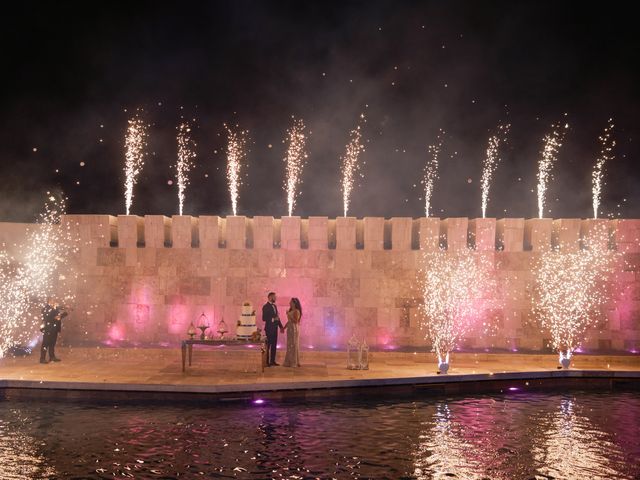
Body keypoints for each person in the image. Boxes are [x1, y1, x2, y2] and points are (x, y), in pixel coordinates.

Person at [40, 298, 67, 364]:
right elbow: (53, 318)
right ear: (48, 301)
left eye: (54, 301)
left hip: (54, 329)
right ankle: (42, 358)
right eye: (52, 301)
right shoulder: (45, 309)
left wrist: (64, 313)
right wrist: (62, 314)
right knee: (45, 343)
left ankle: (52, 357)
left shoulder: (55, 308)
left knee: (52, 343)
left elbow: (57, 317)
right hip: (48, 328)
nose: (54, 302)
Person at [262, 292, 283, 366]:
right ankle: (266, 362)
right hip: (269, 329)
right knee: (268, 346)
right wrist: (273, 319)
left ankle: (272, 361)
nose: (275, 298)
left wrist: (281, 327)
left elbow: (277, 317)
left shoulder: (275, 306)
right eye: (274, 297)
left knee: (274, 345)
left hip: (275, 329)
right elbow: (264, 318)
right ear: (270, 297)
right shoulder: (265, 306)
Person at [283, 297, 302, 368]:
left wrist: (288, 314)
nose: (289, 303)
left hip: (294, 329)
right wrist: (283, 328)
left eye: (291, 302)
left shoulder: (297, 311)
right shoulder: (291, 310)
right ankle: (289, 361)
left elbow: (295, 321)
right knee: (289, 344)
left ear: (294, 303)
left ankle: (294, 362)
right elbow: (289, 322)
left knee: (294, 344)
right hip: (290, 329)